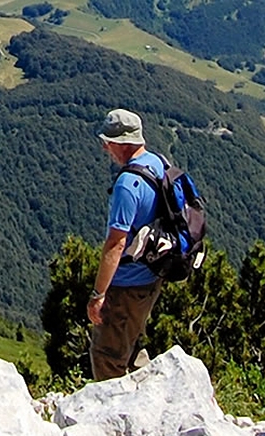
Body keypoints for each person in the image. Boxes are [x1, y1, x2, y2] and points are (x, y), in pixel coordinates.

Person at [87, 108, 164, 381]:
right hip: (150, 277)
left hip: (126, 285)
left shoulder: (127, 185)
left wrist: (98, 295)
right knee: (131, 341)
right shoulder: (156, 163)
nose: (106, 149)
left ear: (121, 143)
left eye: (108, 143)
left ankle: (112, 418)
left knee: (106, 354)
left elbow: (116, 244)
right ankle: (147, 393)